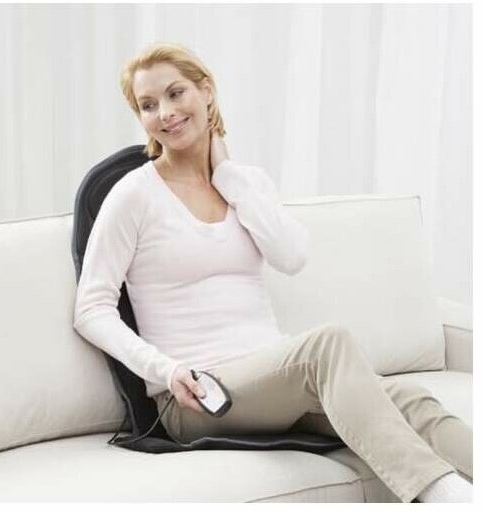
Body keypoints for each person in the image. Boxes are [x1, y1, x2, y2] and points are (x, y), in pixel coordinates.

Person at [73, 42, 472, 503]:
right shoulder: (133, 195)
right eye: (148, 105)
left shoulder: (246, 184)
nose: (165, 113)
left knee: (412, 401)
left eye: (175, 93)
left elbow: (291, 256)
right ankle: (446, 500)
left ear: (206, 92)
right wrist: (165, 369)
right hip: (200, 397)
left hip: (273, 385)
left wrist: (227, 176)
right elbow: (91, 308)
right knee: (326, 345)